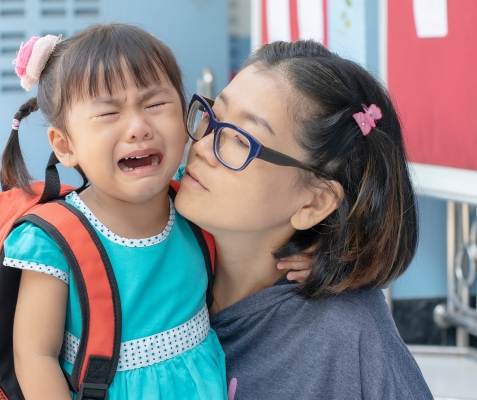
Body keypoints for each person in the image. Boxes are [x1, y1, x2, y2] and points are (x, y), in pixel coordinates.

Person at [175, 40, 433, 399]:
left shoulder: (346, 338)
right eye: (212, 114)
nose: (202, 147)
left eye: (239, 140)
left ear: (315, 202)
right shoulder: (148, 247)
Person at [1, 24, 229, 400]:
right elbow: (34, 356)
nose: (139, 127)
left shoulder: (195, 200)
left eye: (155, 105)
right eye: (108, 113)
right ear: (65, 145)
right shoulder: (54, 241)